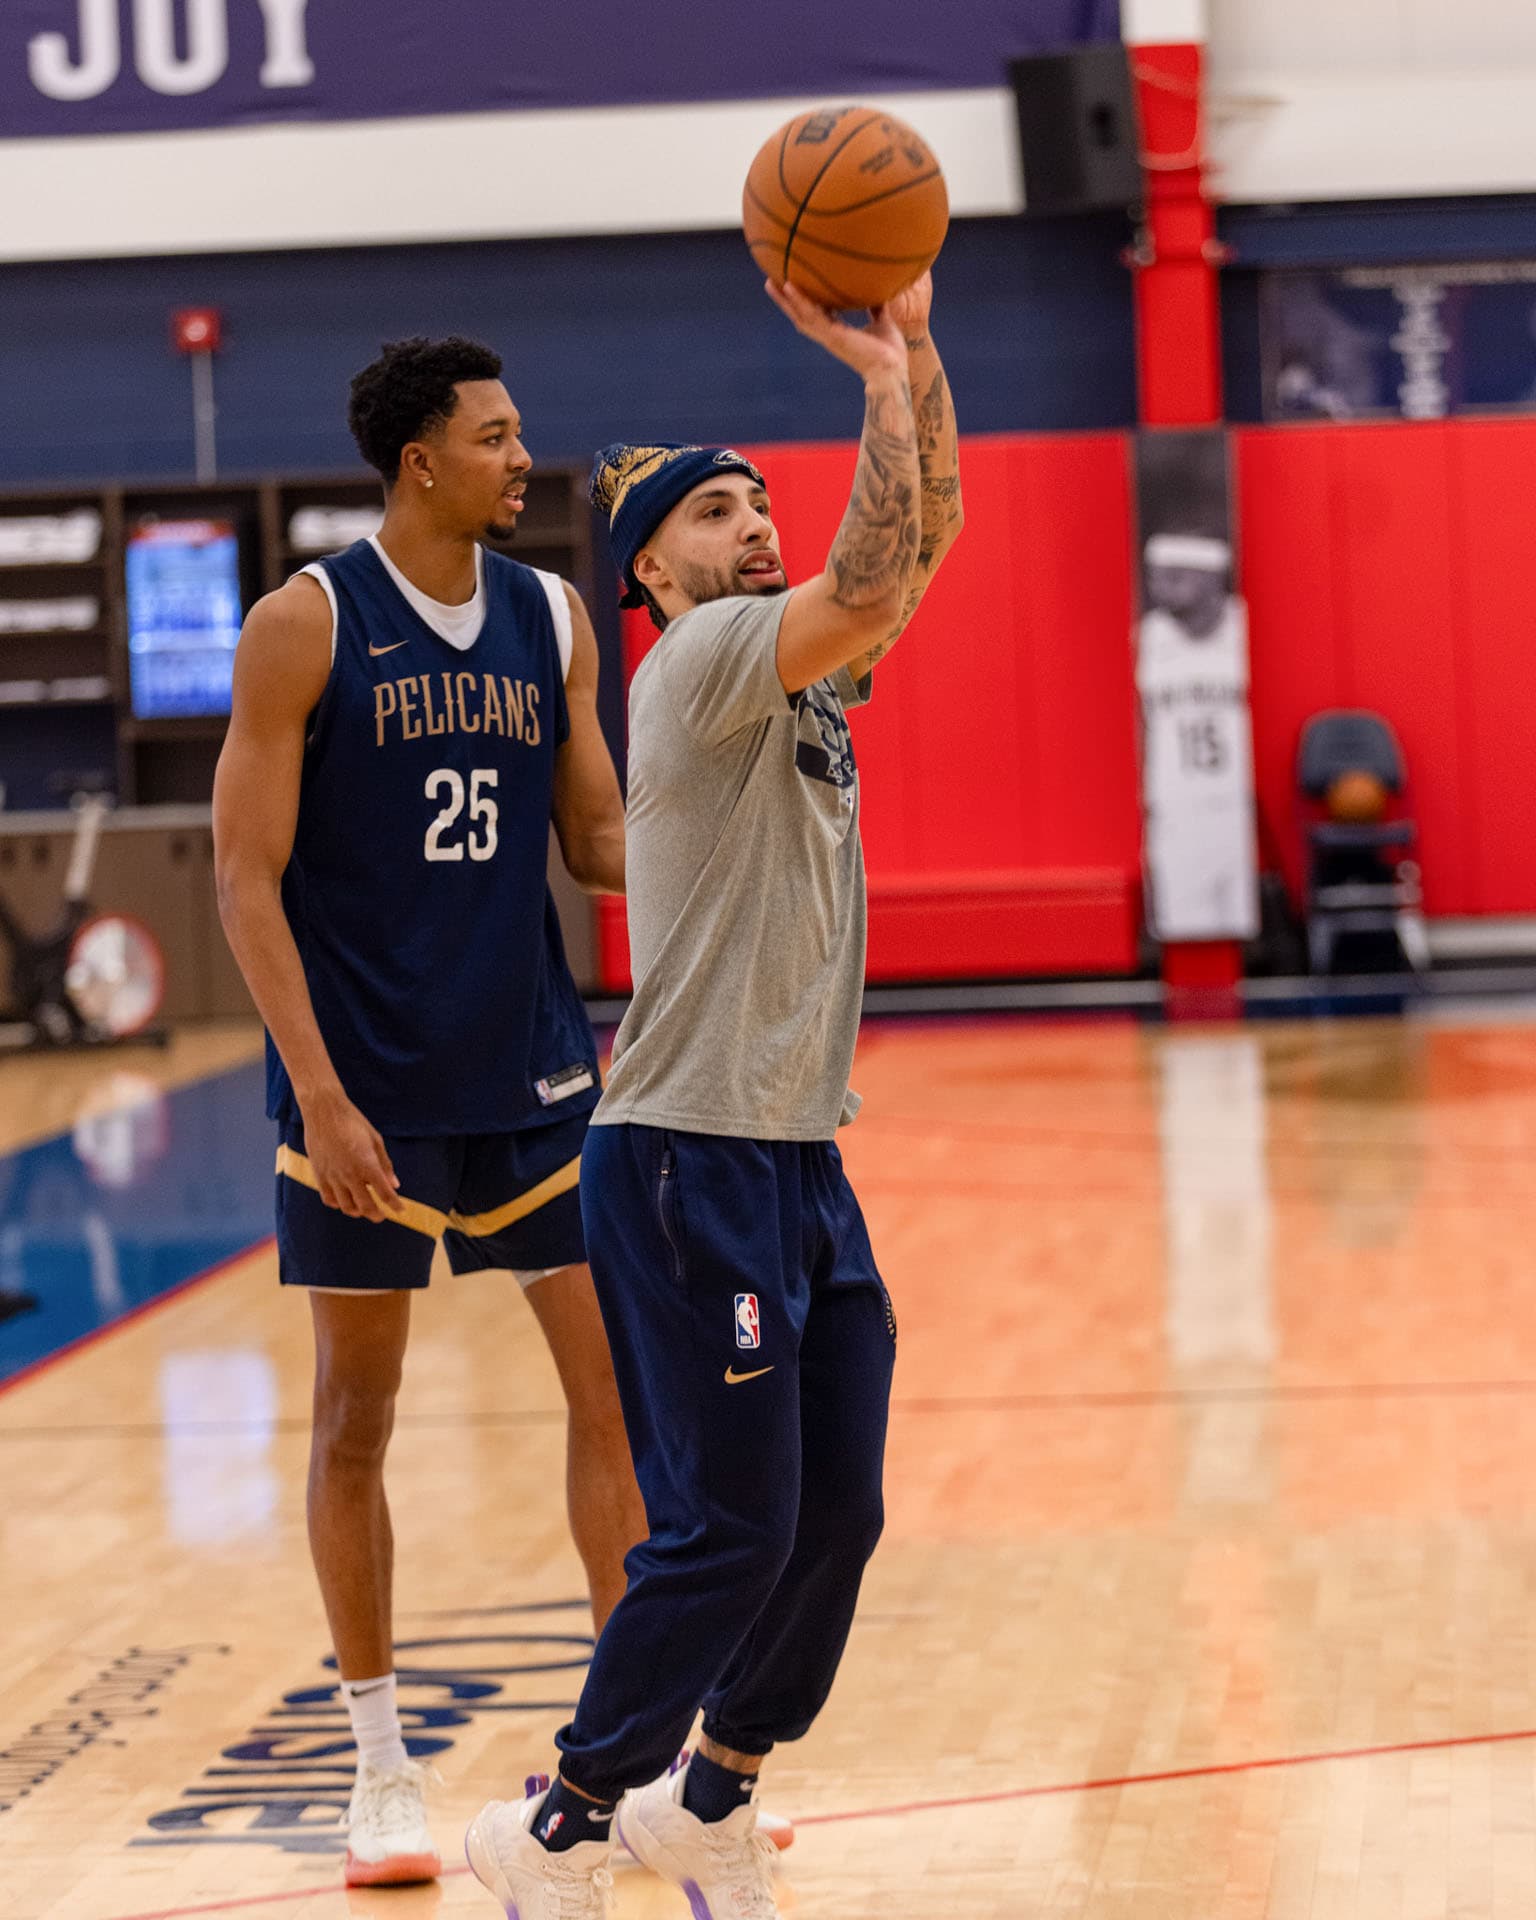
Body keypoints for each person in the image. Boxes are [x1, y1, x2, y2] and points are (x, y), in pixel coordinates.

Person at [466, 270, 962, 1919]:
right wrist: (877, 395)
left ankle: (715, 1791)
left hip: (798, 1155)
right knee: (730, 1528)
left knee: (840, 1514)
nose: (757, 527)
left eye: (764, 504)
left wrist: (919, 354)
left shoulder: (803, 675)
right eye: (718, 511)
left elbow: (918, 549)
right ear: (650, 571)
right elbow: (879, 559)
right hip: (682, 1156)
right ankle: (562, 1818)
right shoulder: (698, 670)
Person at [212, 336, 642, 1887]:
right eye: (497, 437)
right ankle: (379, 1765)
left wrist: (739, 832)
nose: (525, 461)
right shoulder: (304, 624)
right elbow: (242, 881)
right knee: (355, 1419)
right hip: (367, 1102)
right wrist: (318, 1096)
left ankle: (633, 1759)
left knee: (618, 1402)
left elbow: (599, 844)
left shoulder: (551, 615)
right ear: (421, 463)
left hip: (532, 1075)